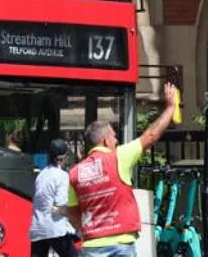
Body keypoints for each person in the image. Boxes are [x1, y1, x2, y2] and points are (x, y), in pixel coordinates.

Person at [66, 85, 180, 257]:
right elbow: (150, 136)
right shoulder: (119, 157)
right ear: (105, 141)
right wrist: (170, 107)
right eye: (113, 137)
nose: (117, 140)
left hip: (91, 246)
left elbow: (72, 211)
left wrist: (87, 231)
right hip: (120, 244)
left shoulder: (75, 172)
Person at [29, 138, 76, 257]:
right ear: (63, 158)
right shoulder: (62, 176)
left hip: (38, 228)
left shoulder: (41, 175)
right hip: (55, 229)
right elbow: (59, 206)